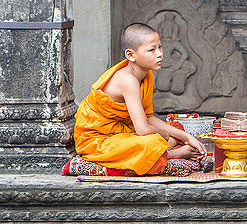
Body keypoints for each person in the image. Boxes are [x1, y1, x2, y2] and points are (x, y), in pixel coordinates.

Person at [69, 23, 207, 177]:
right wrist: (166, 136)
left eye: (160, 47)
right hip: (97, 139)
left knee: (177, 128)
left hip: (122, 131)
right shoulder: (128, 80)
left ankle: (161, 151)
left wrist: (188, 137)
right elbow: (143, 130)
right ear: (130, 55)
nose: (159, 54)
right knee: (151, 142)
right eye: (151, 50)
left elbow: (148, 117)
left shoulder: (147, 76)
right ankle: (171, 155)